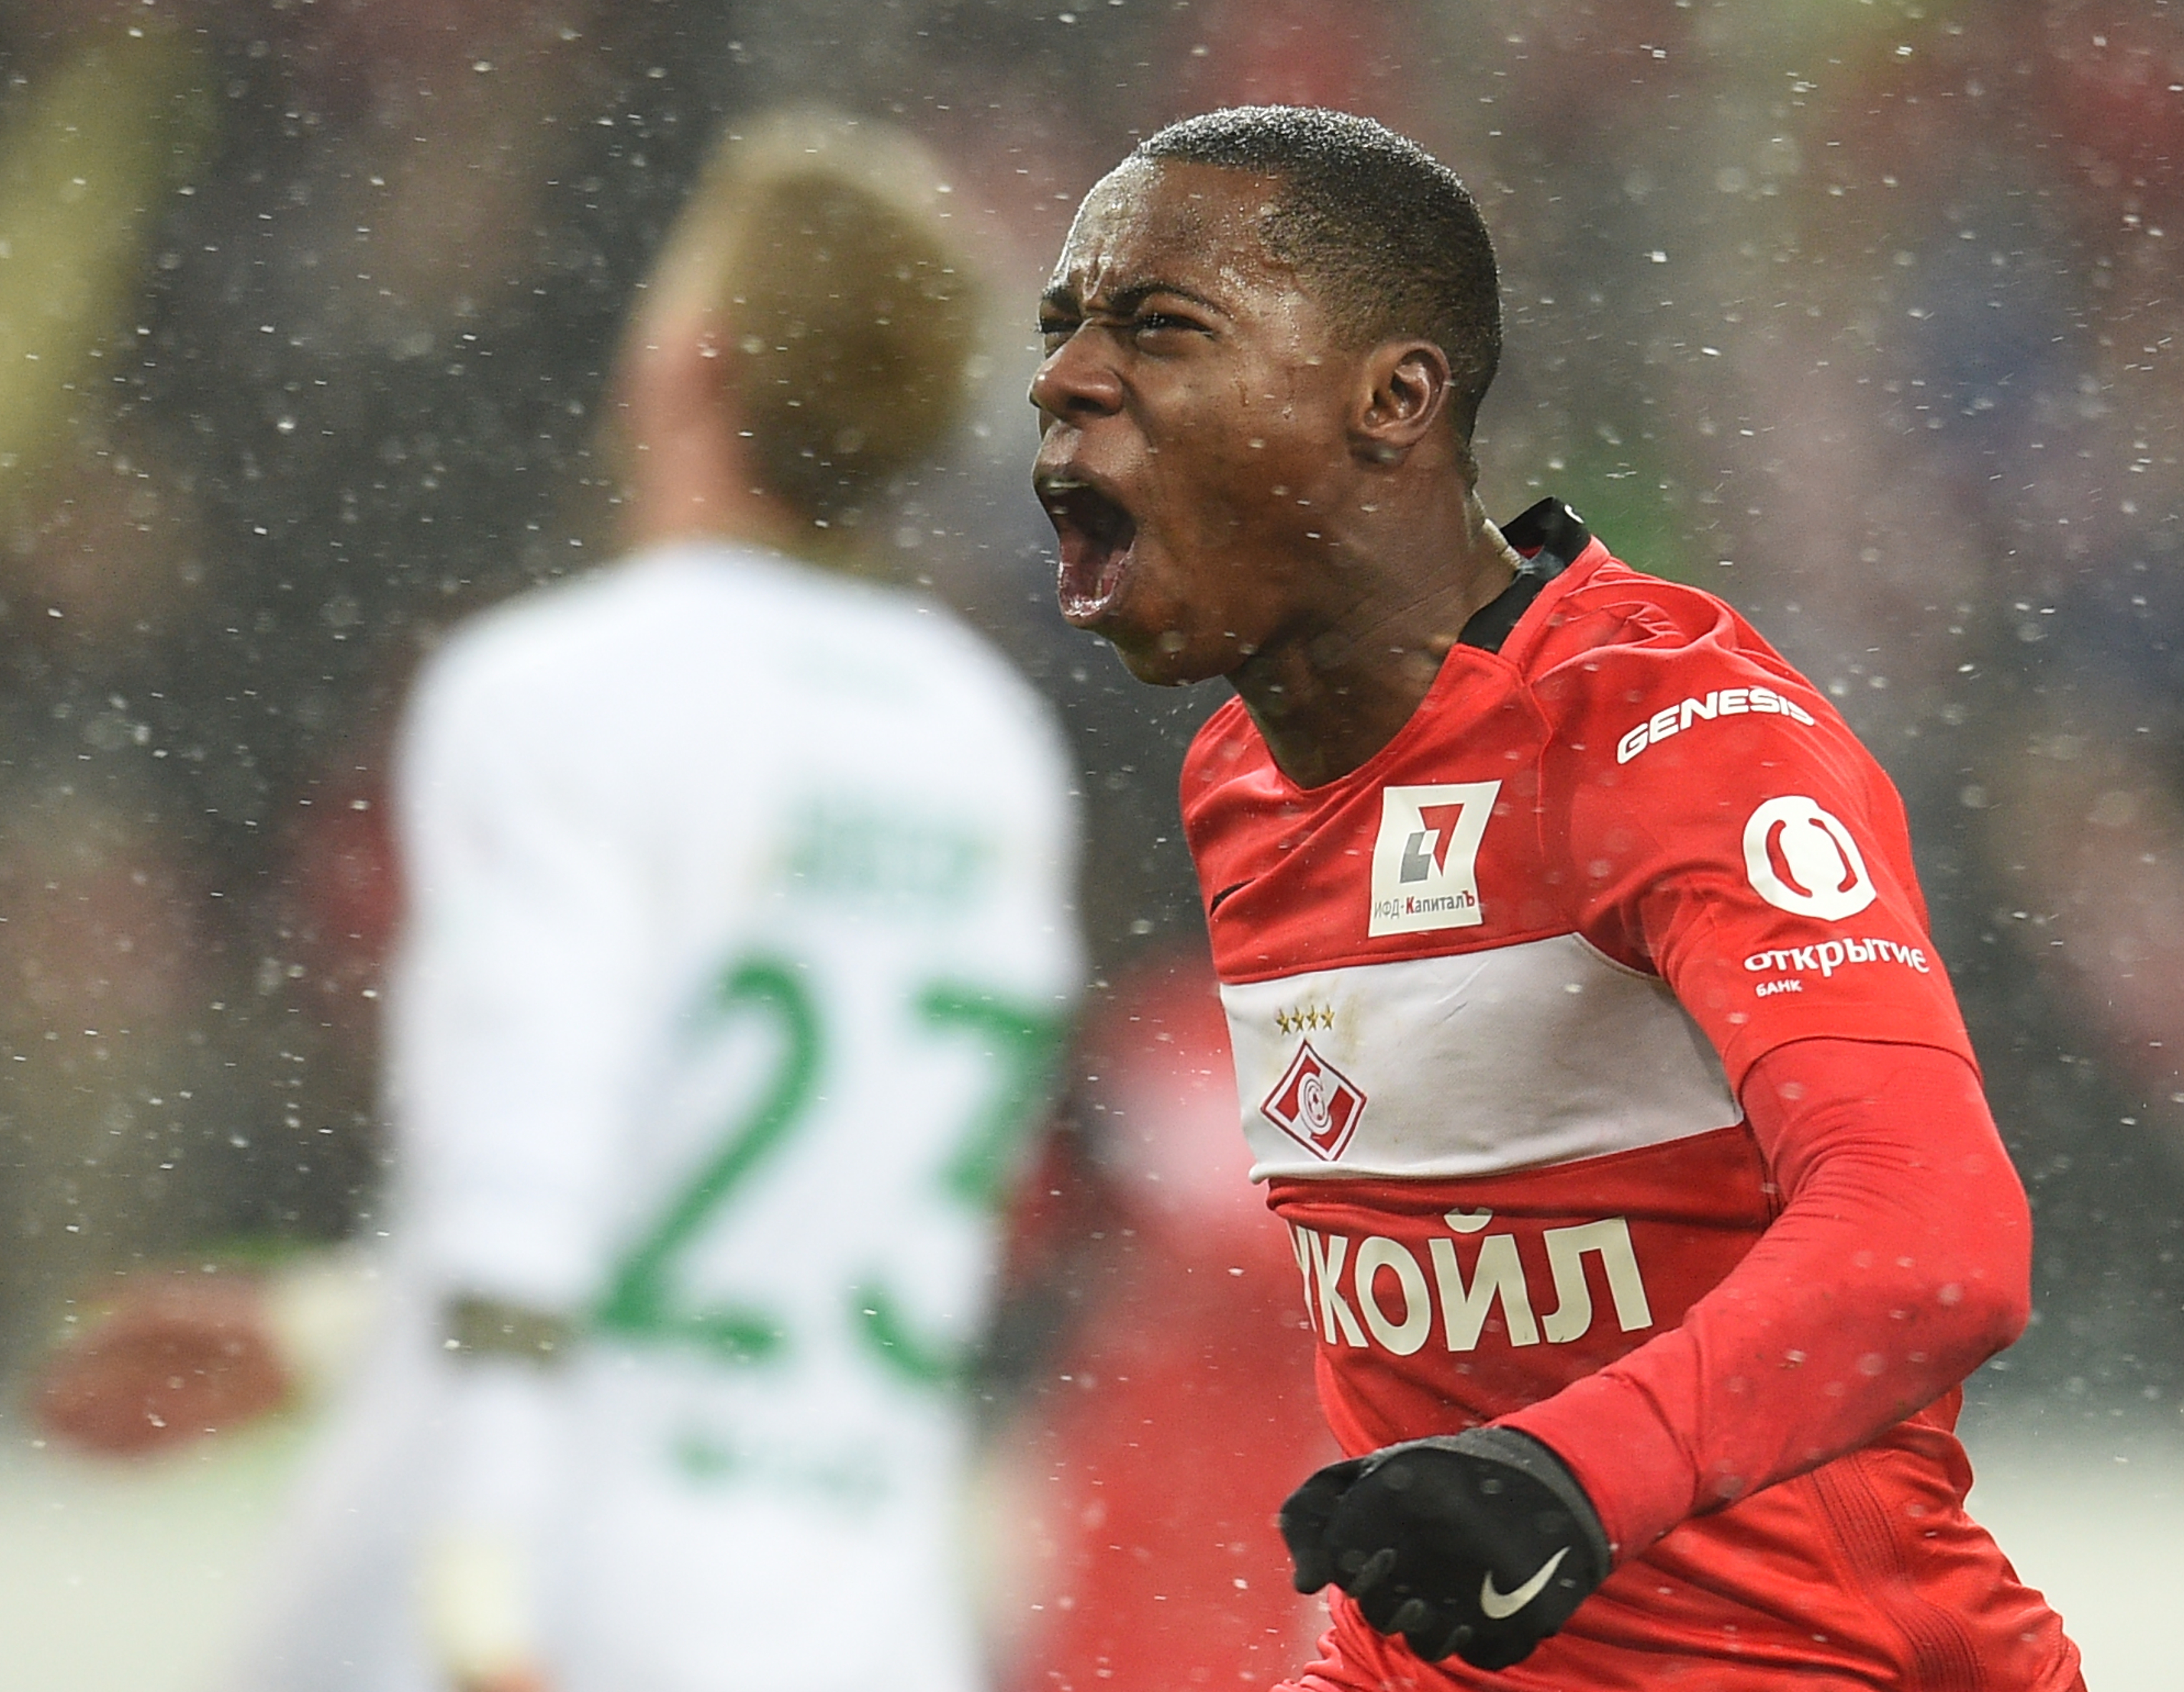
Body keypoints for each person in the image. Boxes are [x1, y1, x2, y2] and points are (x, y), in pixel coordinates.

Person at [1028, 105, 2082, 1691]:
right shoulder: (1242, 781)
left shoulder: (1674, 734)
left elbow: (1935, 1238)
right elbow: (1420, 1428)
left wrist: (1570, 1476)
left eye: (1159, 326)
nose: (1065, 379)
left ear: (1394, 400)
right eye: (1061, 330)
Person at [40, 109, 1082, 1692]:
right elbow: (775, 1225)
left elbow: (529, 1176)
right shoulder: (984, 744)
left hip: (561, 1595)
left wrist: (478, 1585)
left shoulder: (559, 688)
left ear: (688, 356)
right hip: (855, 1622)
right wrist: (341, 1332)